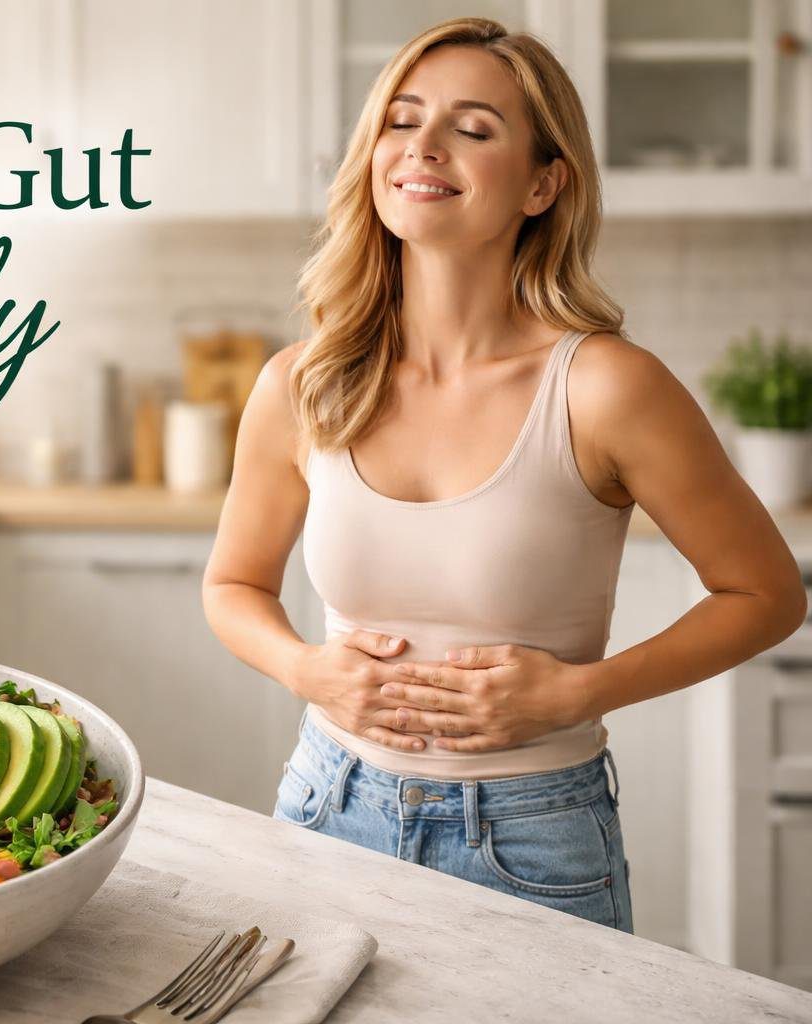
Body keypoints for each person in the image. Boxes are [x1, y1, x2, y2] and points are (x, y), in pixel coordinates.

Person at [202, 17, 806, 932]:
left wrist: (579, 691)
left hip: (531, 835)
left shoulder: (605, 387)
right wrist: (306, 669)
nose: (424, 147)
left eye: (473, 128)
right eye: (401, 120)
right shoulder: (305, 383)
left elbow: (764, 592)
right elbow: (233, 585)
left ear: (542, 183)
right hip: (328, 804)